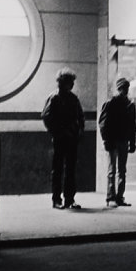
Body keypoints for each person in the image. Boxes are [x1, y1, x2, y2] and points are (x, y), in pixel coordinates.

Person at [41, 68, 85, 209]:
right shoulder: (54, 98)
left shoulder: (73, 98)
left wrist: (79, 131)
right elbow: (46, 117)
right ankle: (57, 199)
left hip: (71, 138)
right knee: (58, 169)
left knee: (70, 169)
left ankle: (69, 199)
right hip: (61, 138)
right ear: (62, 82)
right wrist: (58, 132)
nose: (71, 85)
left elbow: (80, 116)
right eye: (70, 82)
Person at [98, 76, 136, 207]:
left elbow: (103, 122)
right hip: (118, 140)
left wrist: (132, 141)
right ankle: (115, 196)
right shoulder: (126, 104)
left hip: (119, 140)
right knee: (117, 170)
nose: (125, 90)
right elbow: (132, 125)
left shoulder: (119, 103)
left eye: (126, 88)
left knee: (117, 169)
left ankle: (115, 197)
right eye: (123, 88)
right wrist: (107, 140)